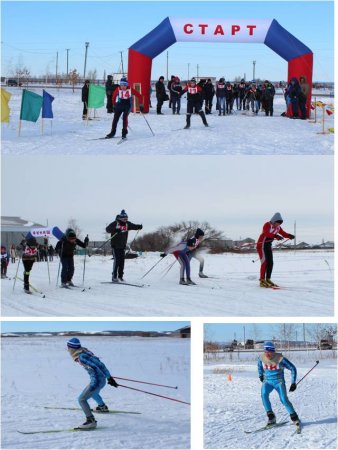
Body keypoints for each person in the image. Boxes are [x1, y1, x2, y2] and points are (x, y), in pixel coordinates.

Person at [66, 337, 118, 430]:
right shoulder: (85, 352)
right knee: (94, 393)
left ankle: (91, 421)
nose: (68, 350)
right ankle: (102, 407)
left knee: (81, 399)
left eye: (68, 347)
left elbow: (96, 367)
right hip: (101, 380)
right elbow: (100, 365)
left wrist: (95, 384)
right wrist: (109, 378)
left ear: (72, 348)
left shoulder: (81, 357)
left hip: (97, 381)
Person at [258, 341, 300, 427]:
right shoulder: (261, 358)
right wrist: (261, 375)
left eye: (268, 352)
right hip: (267, 381)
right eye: (265, 351)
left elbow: (292, 368)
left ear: (273, 351)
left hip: (278, 381)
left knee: (283, 399)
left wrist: (293, 383)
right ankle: (271, 417)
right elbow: (259, 366)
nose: (266, 354)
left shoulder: (281, 359)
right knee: (264, 395)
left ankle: (295, 418)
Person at [256, 213, 295, 288]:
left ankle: (268, 279)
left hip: (268, 245)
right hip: (261, 245)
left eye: (280, 223)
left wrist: (289, 235)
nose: (278, 225)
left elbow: (283, 233)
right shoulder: (267, 224)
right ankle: (262, 280)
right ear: (274, 221)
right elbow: (266, 233)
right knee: (264, 262)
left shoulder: (278, 228)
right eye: (277, 223)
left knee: (270, 262)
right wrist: (276, 236)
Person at [105, 210, 143, 282]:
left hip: (122, 246)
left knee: (122, 261)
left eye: (127, 218)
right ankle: (114, 277)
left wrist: (139, 227)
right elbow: (107, 229)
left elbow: (134, 226)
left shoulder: (127, 224)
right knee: (117, 261)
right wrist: (116, 230)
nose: (126, 220)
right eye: (124, 219)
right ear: (120, 218)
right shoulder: (115, 223)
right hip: (115, 245)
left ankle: (120, 276)